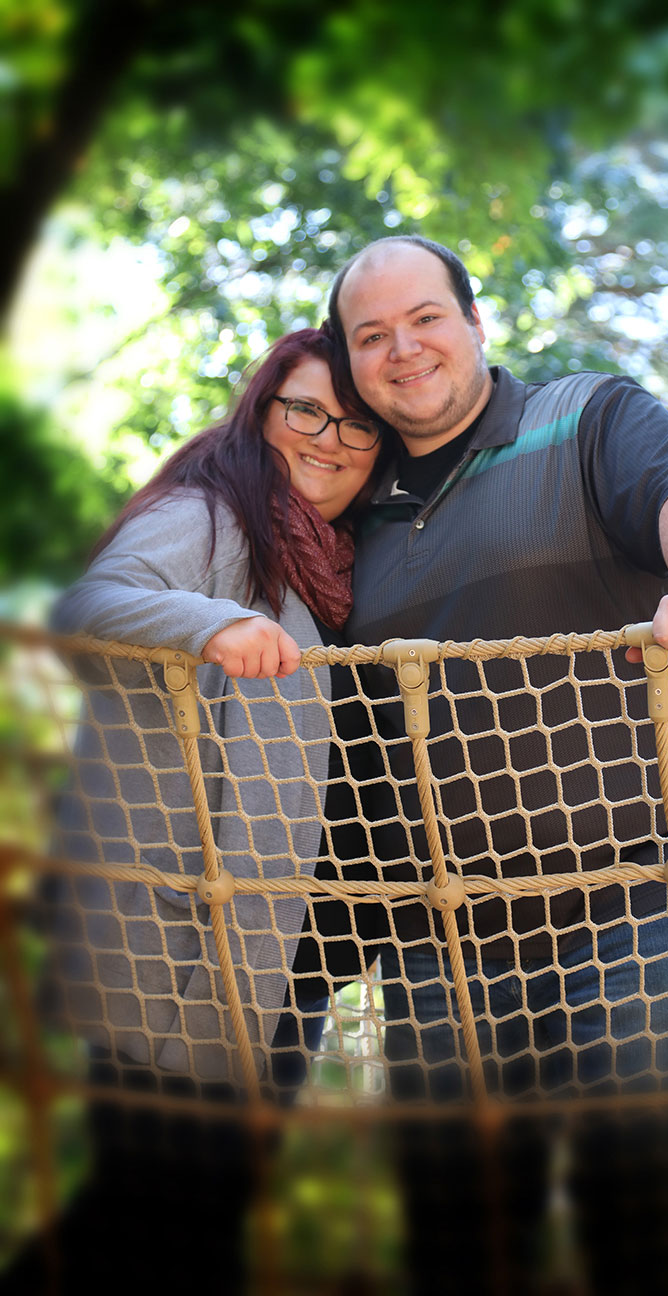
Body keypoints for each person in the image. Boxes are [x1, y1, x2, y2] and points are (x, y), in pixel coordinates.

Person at [326, 235, 668, 1295]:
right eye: (371, 335)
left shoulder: (587, 417)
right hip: (445, 930)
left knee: (651, 1199)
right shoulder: (345, 506)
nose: (403, 349)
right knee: (459, 1228)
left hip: (644, 890)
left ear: (475, 325)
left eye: (426, 318)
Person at [6, 326, 392, 1295]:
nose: (329, 438)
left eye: (358, 426)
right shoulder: (216, 517)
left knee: (196, 1219)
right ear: (261, 412)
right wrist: (217, 622)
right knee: (160, 1212)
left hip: (282, 960)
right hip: (179, 943)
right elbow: (94, 604)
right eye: (305, 408)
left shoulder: (328, 568)